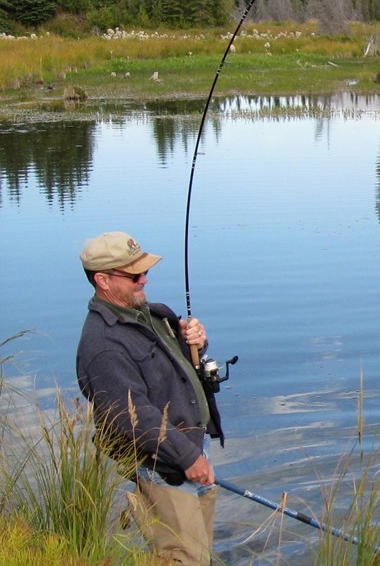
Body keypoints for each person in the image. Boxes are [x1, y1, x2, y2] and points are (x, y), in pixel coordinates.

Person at [75, 231, 225, 565]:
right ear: (102, 280)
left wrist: (196, 341)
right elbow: (134, 416)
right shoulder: (103, 345)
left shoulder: (153, 315)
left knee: (200, 552)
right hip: (167, 466)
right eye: (134, 275)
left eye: (145, 271)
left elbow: (180, 368)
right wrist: (188, 458)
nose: (144, 279)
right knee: (182, 557)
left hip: (192, 450)